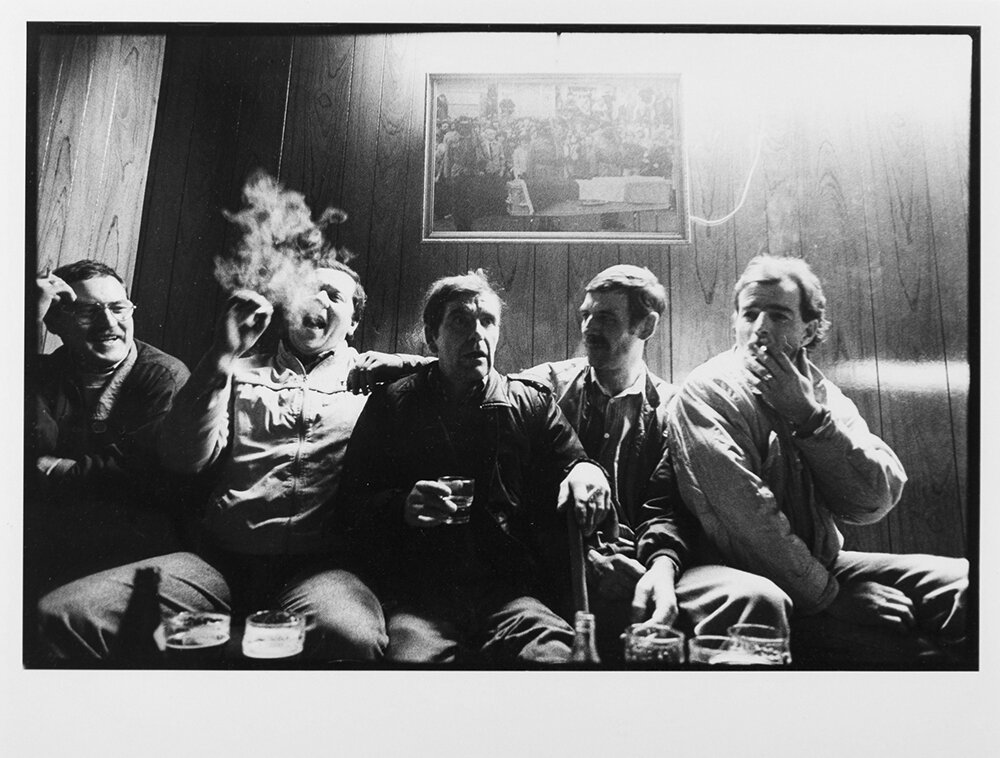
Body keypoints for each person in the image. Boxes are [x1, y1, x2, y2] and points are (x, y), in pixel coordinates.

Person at [36, 252, 404, 663]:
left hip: (318, 570)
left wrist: (403, 363)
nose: (317, 300)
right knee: (64, 615)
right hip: (218, 565)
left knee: (349, 635)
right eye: (306, 289)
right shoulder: (236, 370)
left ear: (353, 322)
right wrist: (221, 355)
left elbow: (460, 374)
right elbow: (183, 457)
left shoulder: (381, 385)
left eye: (334, 295)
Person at [667, 255, 968, 663]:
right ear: (735, 322)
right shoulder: (706, 392)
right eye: (750, 314)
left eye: (778, 315)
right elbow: (747, 518)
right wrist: (831, 596)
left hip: (820, 563)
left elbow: (871, 500)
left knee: (963, 582)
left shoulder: (823, 396)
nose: (760, 329)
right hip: (728, 567)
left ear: (809, 330)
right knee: (763, 600)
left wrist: (810, 419)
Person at [335, 271, 613, 664]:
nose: (477, 333)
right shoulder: (392, 404)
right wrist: (402, 507)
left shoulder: (529, 404)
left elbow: (575, 460)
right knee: (414, 674)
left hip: (510, 598)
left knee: (556, 660)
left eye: (487, 321)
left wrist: (588, 469)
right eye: (461, 321)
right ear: (433, 337)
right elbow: (350, 506)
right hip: (421, 600)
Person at [520, 265, 790, 659]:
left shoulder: (678, 409)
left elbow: (674, 509)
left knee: (760, 599)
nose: (589, 328)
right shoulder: (544, 389)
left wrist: (658, 568)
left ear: (646, 326)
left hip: (654, 567)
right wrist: (586, 559)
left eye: (606, 317)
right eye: (585, 315)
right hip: (561, 570)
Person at [30, 260, 190, 598]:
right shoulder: (44, 372)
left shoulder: (165, 377)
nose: (109, 323)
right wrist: (31, 315)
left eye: (119, 308)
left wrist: (54, 469)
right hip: (55, 542)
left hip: (133, 550)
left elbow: (140, 475)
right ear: (56, 322)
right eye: (88, 312)